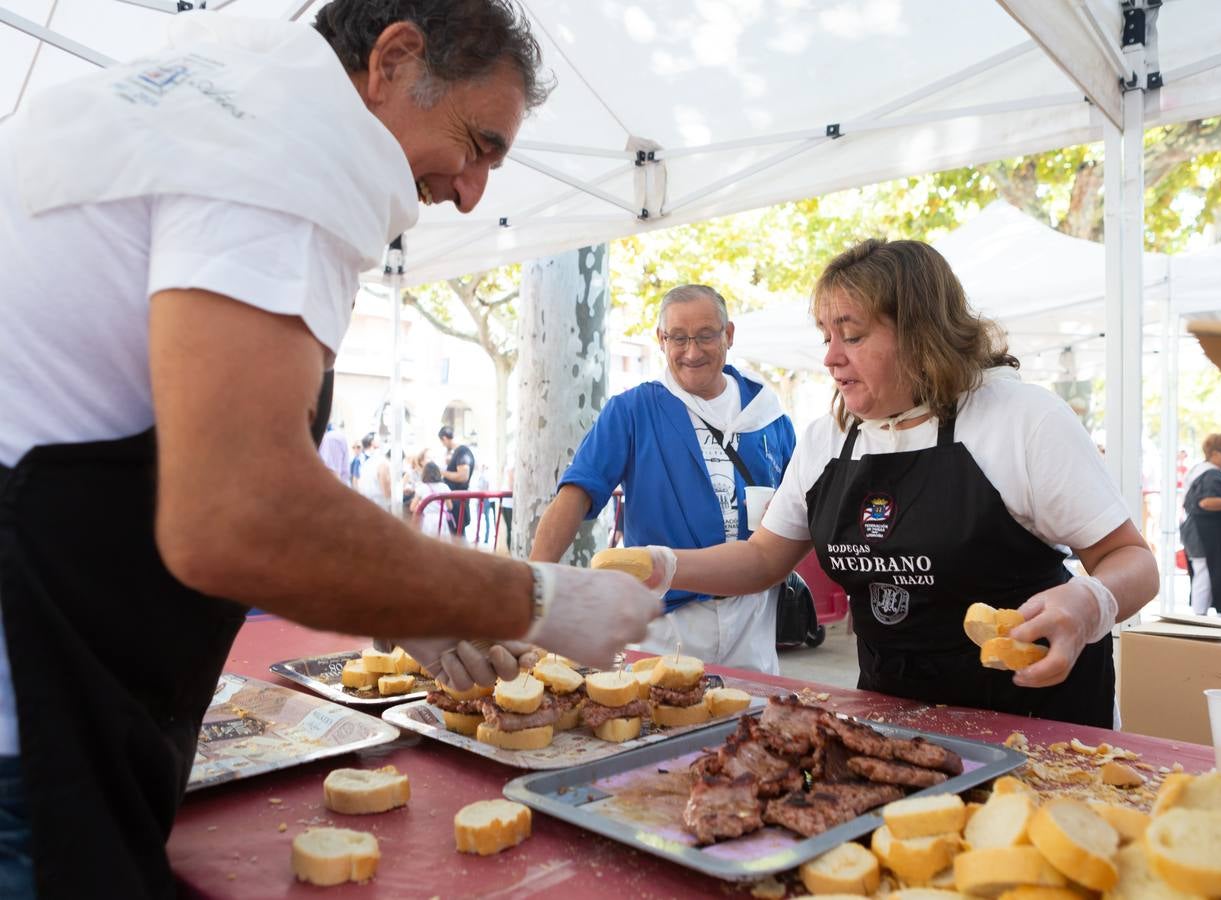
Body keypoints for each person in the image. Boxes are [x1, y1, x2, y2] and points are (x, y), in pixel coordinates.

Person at [0, 3, 661, 897]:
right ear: (394, 57)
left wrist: (406, 603)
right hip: (28, 737)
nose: (472, 193)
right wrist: (536, 597)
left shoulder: (209, 105)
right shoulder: (281, 135)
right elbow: (237, 516)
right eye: (480, 144)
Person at [632, 241, 1158, 727]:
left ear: (921, 333)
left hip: (1035, 724)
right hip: (893, 723)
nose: (831, 357)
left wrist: (1092, 603)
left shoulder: (1021, 419)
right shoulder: (827, 440)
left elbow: (1133, 561)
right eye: (826, 336)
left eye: (853, 335)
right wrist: (665, 566)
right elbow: (763, 558)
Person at [530, 285, 797, 674]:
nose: (692, 351)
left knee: (752, 722)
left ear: (729, 334)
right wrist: (531, 592)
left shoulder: (768, 414)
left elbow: (805, 505)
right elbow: (576, 495)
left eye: (706, 335)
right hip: (665, 620)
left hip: (753, 617)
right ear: (661, 340)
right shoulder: (633, 409)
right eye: (678, 338)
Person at [1179, 433, 1221, 618]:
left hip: (1195, 532)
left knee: (1202, 575)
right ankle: (1201, 617)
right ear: (1215, 453)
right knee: (1205, 576)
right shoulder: (1213, 475)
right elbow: (1206, 502)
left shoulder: (1197, 471)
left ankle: (1200, 616)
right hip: (1207, 536)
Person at [438, 425, 476, 534]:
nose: (443, 445)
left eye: (442, 442)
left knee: (457, 536)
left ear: (444, 438)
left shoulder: (462, 451)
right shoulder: (459, 452)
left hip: (458, 502)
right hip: (456, 501)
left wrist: (442, 472)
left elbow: (463, 476)